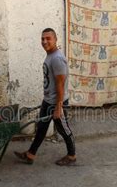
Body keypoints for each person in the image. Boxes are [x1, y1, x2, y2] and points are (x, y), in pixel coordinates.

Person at [15, 28, 76, 166]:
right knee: (41, 128)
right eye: (43, 38)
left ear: (55, 39)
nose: (44, 41)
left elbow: (61, 84)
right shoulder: (50, 55)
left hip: (57, 102)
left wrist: (58, 107)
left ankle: (72, 156)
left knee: (64, 130)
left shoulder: (57, 59)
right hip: (48, 100)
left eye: (48, 38)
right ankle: (30, 155)